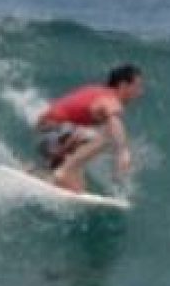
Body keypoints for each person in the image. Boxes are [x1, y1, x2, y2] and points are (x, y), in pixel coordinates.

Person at [35, 64, 144, 193]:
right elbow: (114, 122)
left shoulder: (97, 92)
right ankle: (64, 171)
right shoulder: (110, 99)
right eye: (137, 87)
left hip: (48, 138)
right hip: (53, 134)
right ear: (123, 85)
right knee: (106, 136)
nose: (140, 92)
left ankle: (44, 173)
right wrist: (122, 152)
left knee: (77, 188)